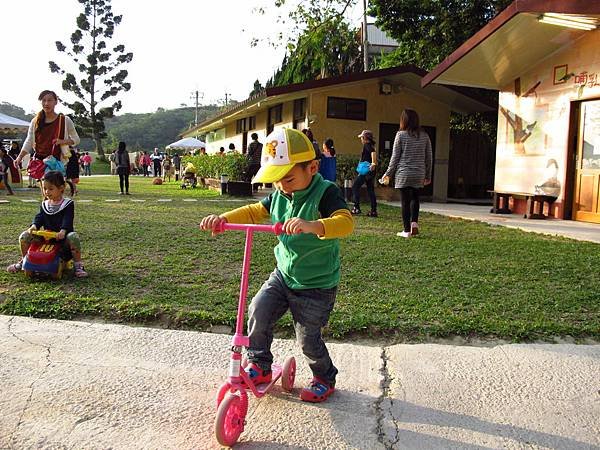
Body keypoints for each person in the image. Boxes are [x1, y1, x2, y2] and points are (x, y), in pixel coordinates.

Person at [201, 128, 354, 403]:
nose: (282, 186)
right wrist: (223, 218)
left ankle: (324, 377)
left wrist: (314, 225)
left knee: (308, 339)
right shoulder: (280, 195)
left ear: (313, 167)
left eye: (288, 178)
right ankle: (259, 365)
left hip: (316, 283)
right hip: (283, 275)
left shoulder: (325, 192)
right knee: (258, 310)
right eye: (276, 180)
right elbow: (253, 211)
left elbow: (345, 222)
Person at [6, 170, 88, 278]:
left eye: (51, 189)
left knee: (73, 237)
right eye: (45, 189)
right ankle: (24, 260)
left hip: (62, 241)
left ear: (61, 188)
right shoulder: (45, 204)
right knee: (24, 236)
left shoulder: (67, 204)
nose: (47, 192)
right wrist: (34, 225)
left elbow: (67, 219)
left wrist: (63, 231)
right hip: (46, 239)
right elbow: (40, 217)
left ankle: (78, 266)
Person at [381, 109, 432, 238]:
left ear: (404, 120)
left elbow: (395, 157)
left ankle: (406, 231)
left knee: (405, 201)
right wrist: (428, 175)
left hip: (404, 173)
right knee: (415, 198)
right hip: (419, 173)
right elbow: (429, 157)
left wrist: (388, 174)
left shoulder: (400, 135)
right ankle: (414, 223)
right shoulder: (424, 136)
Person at [13, 90, 80, 186]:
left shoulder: (64, 120)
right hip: (40, 163)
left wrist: (62, 141)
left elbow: (76, 140)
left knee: (54, 190)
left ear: (56, 102)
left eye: (50, 100)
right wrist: (19, 157)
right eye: (43, 100)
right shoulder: (35, 121)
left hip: (56, 162)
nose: (46, 103)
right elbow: (29, 140)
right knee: (47, 192)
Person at [351, 130, 378, 217]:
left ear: (365, 138)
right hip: (371, 171)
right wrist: (373, 164)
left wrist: (373, 162)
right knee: (370, 190)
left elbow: (373, 153)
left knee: (355, 186)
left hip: (366, 171)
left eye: (362, 137)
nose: (361, 139)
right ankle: (373, 211)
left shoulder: (367, 145)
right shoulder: (371, 145)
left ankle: (356, 208)